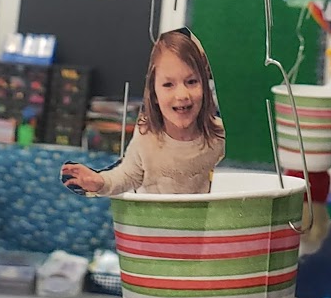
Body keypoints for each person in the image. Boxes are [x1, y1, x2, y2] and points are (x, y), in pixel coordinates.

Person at [61, 29, 225, 197]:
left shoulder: (219, 136)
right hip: (152, 214)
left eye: (191, 81)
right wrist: (100, 181)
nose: (182, 95)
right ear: (154, 95)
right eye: (168, 84)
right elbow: (127, 175)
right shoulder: (146, 135)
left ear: (205, 88)